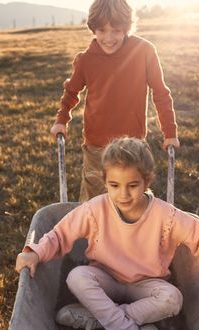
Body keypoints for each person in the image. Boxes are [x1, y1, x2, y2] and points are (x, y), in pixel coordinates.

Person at [15, 137, 199, 330]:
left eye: (132, 185)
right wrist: (35, 251)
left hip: (146, 285)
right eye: (114, 186)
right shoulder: (95, 209)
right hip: (106, 279)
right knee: (77, 277)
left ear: (147, 181)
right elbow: (60, 233)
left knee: (173, 299)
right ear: (105, 181)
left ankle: (100, 317)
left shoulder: (166, 216)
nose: (123, 194)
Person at [50, 0, 180, 201]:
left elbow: (161, 93)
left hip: (132, 144)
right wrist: (61, 120)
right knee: (94, 200)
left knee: (132, 198)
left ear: (126, 28)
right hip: (96, 145)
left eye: (116, 31)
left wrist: (170, 132)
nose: (109, 38)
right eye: (102, 30)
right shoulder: (85, 60)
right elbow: (70, 92)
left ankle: (133, 231)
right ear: (93, 28)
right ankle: (93, 233)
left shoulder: (144, 51)